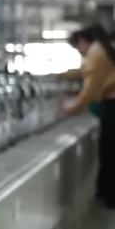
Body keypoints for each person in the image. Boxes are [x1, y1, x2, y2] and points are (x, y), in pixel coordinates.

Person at [59, 23, 115, 209]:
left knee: (109, 152)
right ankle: (104, 192)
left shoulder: (97, 51)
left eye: (77, 48)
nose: (80, 52)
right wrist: (61, 74)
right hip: (110, 104)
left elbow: (90, 88)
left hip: (113, 105)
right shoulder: (103, 48)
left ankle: (110, 197)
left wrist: (73, 109)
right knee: (108, 151)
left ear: (83, 41)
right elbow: (85, 71)